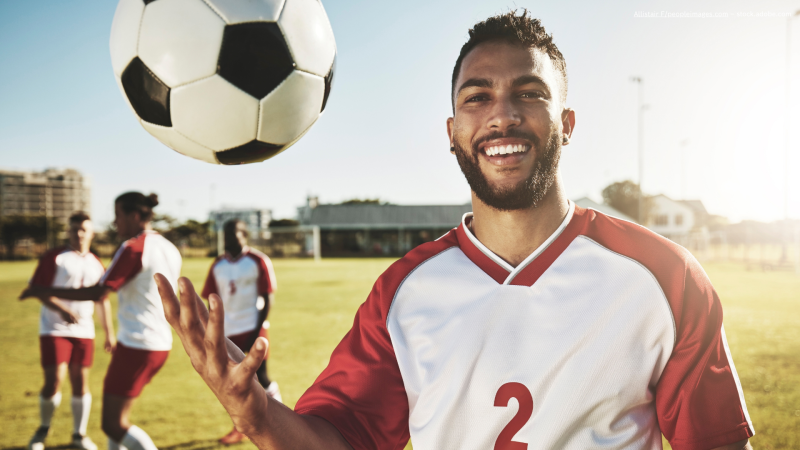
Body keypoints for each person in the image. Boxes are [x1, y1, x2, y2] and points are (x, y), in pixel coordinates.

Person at [154, 10, 754, 450]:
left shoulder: (662, 278)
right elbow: (339, 440)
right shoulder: (404, 293)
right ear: (451, 130)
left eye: (529, 93)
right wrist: (254, 411)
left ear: (567, 123)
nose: (502, 114)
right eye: (477, 97)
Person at [23, 192, 182, 450]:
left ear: (133, 216)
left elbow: (99, 292)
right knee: (117, 419)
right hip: (160, 343)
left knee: (112, 424)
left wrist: (44, 292)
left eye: (117, 215)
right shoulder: (169, 247)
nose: (114, 223)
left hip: (137, 343)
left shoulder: (133, 247)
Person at [23, 212, 114, 450]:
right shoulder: (55, 257)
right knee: (54, 382)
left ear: (92, 232)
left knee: (81, 384)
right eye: (75, 229)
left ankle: (79, 435)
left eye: (84, 229)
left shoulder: (96, 262)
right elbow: (37, 289)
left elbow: (102, 299)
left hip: (84, 331)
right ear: (68, 231)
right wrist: (62, 309)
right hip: (54, 328)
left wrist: (109, 333)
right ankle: (42, 431)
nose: (79, 233)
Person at [201, 219, 280, 444]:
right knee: (233, 384)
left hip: (254, 327)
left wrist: (258, 328)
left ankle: (282, 418)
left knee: (262, 377)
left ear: (244, 236)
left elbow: (267, 297)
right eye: (225, 235)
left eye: (233, 235)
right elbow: (211, 299)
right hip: (228, 332)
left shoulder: (257, 260)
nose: (228, 240)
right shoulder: (218, 265)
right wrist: (214, 329)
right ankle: (240, 429)